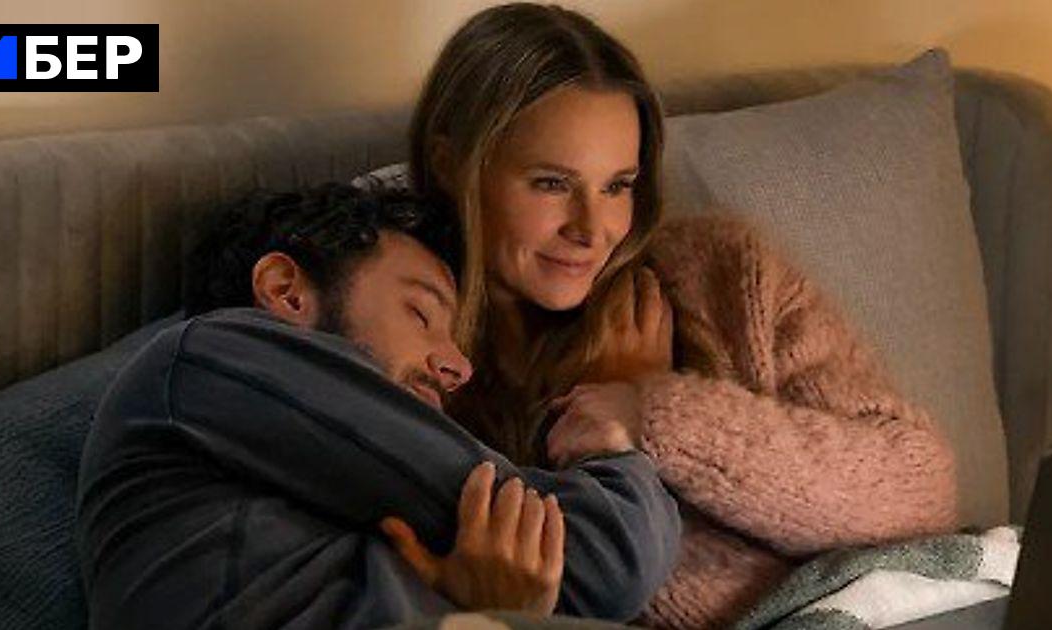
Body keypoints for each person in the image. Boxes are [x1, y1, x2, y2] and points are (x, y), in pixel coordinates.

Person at [364, 3, 960, 627]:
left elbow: (918, 495)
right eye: (552, 184)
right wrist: (608, 446)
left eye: (617, 186)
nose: (592, 229)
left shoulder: (721, 275)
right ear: (452, 164)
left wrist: (653, 410)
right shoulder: (409, 346)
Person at [75, 183, 680, 629]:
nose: (459, 368)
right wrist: (616, 427)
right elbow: (607, 556)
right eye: (420, 314)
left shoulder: (324, 505)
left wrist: (490, 611)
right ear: (285, 291)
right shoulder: (202, 358)